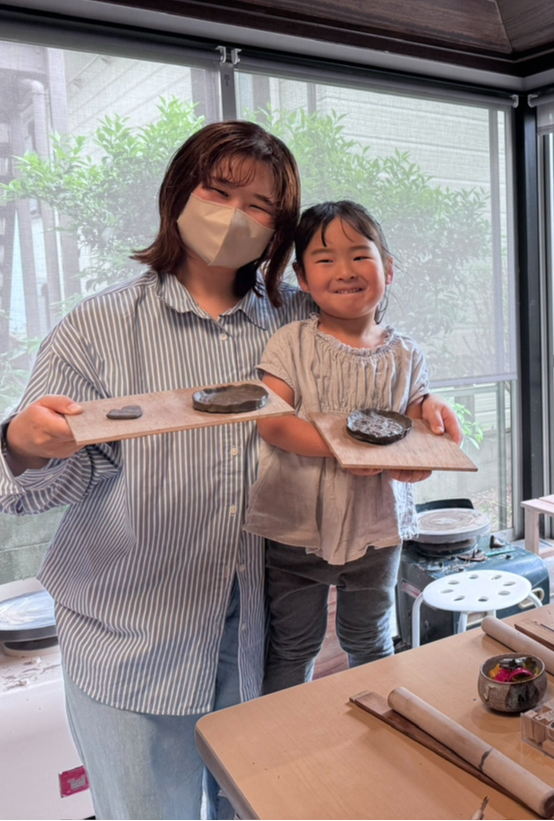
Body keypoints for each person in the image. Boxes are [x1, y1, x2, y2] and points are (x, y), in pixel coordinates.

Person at [0, 123, 459, 819]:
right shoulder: (95, 328)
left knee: (261, 806)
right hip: (136, 639)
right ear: (179, 192)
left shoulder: (298, 317)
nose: (235, 215)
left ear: (280, 232)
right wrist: (22, 441)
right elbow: (45, 483)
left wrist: (423, 411)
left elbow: (374, 368)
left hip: (260, 639)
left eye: (261, 205)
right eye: (219, 191)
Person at [246, 200, 442, 693]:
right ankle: (284, 743)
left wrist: (427, 440)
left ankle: (379, 733)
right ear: (303, 278)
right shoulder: (290, 342)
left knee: (371, 637)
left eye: (360, 255)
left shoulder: (407, 353)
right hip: (296, 527)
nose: (345, 271)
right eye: (325, 258)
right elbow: (273, 424)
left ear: (388, 269)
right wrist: (348, 450)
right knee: (293, 644)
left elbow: (415, 426)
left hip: (377, 526)